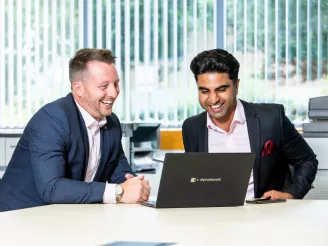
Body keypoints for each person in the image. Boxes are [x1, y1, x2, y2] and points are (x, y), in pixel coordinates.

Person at [0, 48, 150, 212]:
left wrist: (136, 185)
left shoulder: (111, 122)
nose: (113, 93)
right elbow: (52, 189)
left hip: (69, 217)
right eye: (103, 86)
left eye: (116, 84)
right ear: (78, 88)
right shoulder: (51, 120)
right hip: (20, 218)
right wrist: (119, 191)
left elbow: (118, 171)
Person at [182, 48, 318, 200]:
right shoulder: (191, 127)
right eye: (205, 91)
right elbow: (195, 179)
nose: (213, 99)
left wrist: (290, 194)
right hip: (213, 216)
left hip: (264, 215)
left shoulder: (271, 118)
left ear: (236, 86)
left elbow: (306, 160)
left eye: (221, 89)